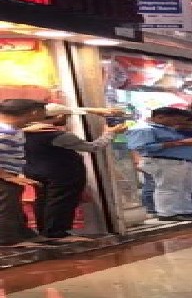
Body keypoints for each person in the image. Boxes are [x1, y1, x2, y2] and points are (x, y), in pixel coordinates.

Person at [22, 104, 128, 242]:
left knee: (43, 200)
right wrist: (110, 133)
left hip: (34, 171)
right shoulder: (59, 136)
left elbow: (67, 110)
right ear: (59, 116)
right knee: (61, 202)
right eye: (67, 116)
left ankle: (45, 231)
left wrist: (93, 109)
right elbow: (94, 147)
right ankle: (56, 233)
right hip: (61, 173)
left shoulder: (24, 131)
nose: (68, 118)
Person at [126, 107, 192, 221]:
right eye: (175, 120)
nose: (177, 123)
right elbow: (142, 147)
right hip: (164, 161)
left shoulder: (167, 129)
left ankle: (186, 211)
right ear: (160, 117)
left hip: (182, 162)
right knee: (168, 187)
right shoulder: (144, 129)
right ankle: (167, 213)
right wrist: (181, 143)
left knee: (186, 188)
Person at [0, 98, 56, 248]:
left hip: (10, 174)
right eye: (44, 112)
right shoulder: (5, 132)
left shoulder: (11, 129)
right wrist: (6, 176)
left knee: (14, 205)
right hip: (4, 176)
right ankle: (7, 239)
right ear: (35, 112)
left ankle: (23, 234)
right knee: (7, 206)